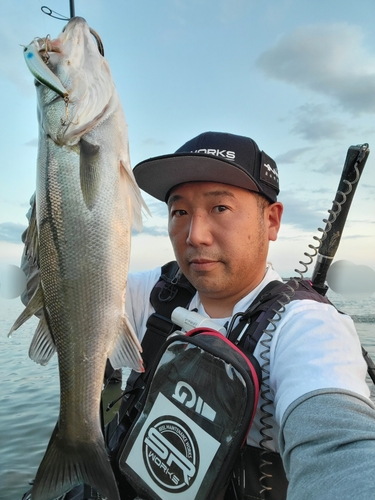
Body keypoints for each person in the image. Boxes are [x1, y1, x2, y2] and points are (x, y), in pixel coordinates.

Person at [22, 131, 375, 500]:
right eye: (179, 212)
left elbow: (339, 447)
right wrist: (51, 212)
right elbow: (59, 298)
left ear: (271, 221)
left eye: (220, 208)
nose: (195, 235)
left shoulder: (306, 328)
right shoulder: (157, 293)